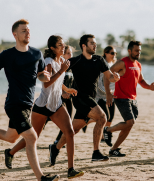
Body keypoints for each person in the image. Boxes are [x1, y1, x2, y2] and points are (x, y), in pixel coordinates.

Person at [0, 19, 59, 181]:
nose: (28, 33)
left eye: (28, 30)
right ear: (15, 34)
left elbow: (41, 75)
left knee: (11, 137)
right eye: (24, 30)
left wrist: (45, 76)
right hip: (13, 104)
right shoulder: (7, 55)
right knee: (32, 137)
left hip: (27, 105)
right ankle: (41, 179)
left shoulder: (36, 54)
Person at [4, 36, 85, 179]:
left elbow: (58, 82)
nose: (63, 47)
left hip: (57, 105)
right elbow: (47, 84)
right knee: (33, 137)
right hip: (42, 106)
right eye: (59, 45)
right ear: (53, 48)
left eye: (63, 44)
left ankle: (71, 169)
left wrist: (67, 89)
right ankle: (10, 153)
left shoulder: (62, 62)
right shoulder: (48, 62)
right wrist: (62, 71)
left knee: (70, 132)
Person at [49, 34, 120, 165]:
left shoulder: (99, 60)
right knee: (102, 117)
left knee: (73, 130)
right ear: (84, 45)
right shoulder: (75, 61)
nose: (95, 45)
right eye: (92, 43)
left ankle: (55, 147)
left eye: (95, 43)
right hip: (80, 98)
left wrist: (115, 78)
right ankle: (96, 152)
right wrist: (64, 90)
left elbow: (109, 76)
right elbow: (58, 75)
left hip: (90, 98)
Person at [102, 40, 154, 157]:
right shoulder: (122, 63)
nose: (138, 53)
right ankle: (108, 130)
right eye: (136, 50)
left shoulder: (138, 65)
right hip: (121, 97)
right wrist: (108, 93)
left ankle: (114, 150)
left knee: (129, 125)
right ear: (129, 51)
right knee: (130, 122)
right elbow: (106, 76)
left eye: (140, 51)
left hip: (133, 99)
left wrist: (150, 87)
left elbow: (141, 81)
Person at [52, 45, 75, 145]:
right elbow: (55, 81)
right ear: (63, 55)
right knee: (47, 118)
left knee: (68, 120)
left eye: (71, 53)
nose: (71, 55)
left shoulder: (71, 67)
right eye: (68, 53)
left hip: (68, 98)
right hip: (58, 97)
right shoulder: (60, 67)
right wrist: (63, 92)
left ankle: (58, 140)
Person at [95, 46, 117, 146]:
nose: (114, 55)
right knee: (105, 116)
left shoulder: (114, 64)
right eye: (112, 53)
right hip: (102, 95)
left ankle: (105, 134)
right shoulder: (103, 64)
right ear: (106, 53)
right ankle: (105, 134)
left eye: (115, 53)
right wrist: (106, 93)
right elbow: (99, 82)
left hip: (112, 95)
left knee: (111, 117)